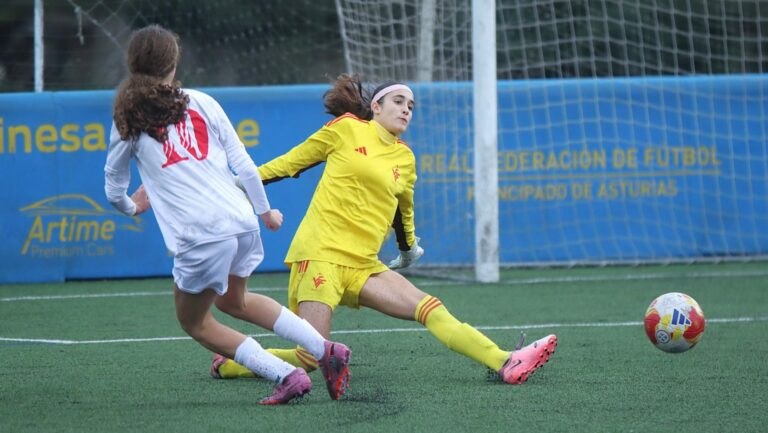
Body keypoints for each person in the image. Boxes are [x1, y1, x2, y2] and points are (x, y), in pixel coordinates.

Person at [211, 73, 557, 386]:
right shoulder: (346, 128)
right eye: (398, 102)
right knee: (311, 359)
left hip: (365, 265)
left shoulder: (405, 158)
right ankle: (233, 363)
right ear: (375, 107)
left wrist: (408, 250)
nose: (406, 109)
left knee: (431, 308)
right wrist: (241, 184)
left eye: (411, 105)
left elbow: (403, 212)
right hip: (321, 256)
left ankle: (504, 361)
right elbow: (289, 163)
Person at [104, 25, 352, 404]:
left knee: (195, 322)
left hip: (202, 234)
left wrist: (131, 206)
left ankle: (286, 374)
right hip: (241, 221)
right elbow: (246, 168)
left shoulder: (128, 118)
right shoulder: (202, 101)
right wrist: (264, 212)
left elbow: (113, 188)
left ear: (133, 65)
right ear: (174, 63)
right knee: (235, 300)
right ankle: (326, 350)